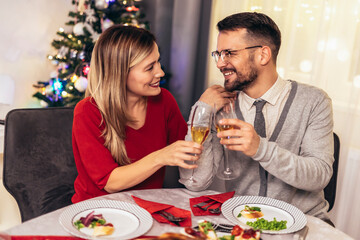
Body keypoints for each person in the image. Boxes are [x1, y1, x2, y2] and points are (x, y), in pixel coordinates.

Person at [179, 12, 334, 223]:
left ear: (263, 55)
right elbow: (195, 182)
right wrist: (202, 111)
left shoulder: (314, 101)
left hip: (305, 222)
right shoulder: (220, 105)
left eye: (229, 53)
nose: (220, 63)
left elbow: (320, 176)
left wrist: (260, 148)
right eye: (218, 54)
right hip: (244, 222)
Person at [72, 25, 202, 203]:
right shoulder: (87, 111)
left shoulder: (164, 100)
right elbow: (109, 182)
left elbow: (189, 152)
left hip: (147, 208)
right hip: (98, 213)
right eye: (149, 68)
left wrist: (206, 107)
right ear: (119, 73)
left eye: (158, 62)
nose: (160, 73)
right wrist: (160, 157)